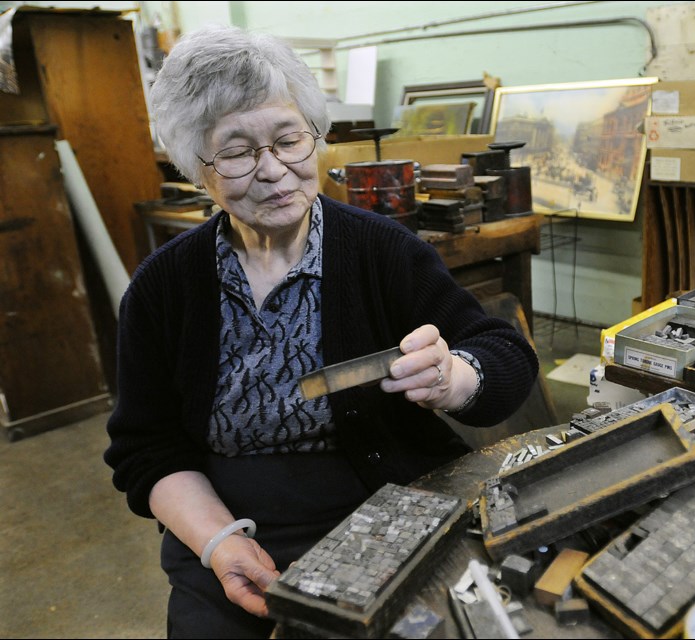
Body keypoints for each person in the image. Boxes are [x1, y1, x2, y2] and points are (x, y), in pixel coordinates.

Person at [103, 24, 538, 639]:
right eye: (236, 151)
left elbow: (506, 358)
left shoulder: (381, 251)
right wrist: (220, 544)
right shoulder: (162, 287)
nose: (274, 170)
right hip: (227, 520)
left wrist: (452, 376)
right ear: (196, 167)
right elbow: (145, 449)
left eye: (289, 140)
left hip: (382, 498)